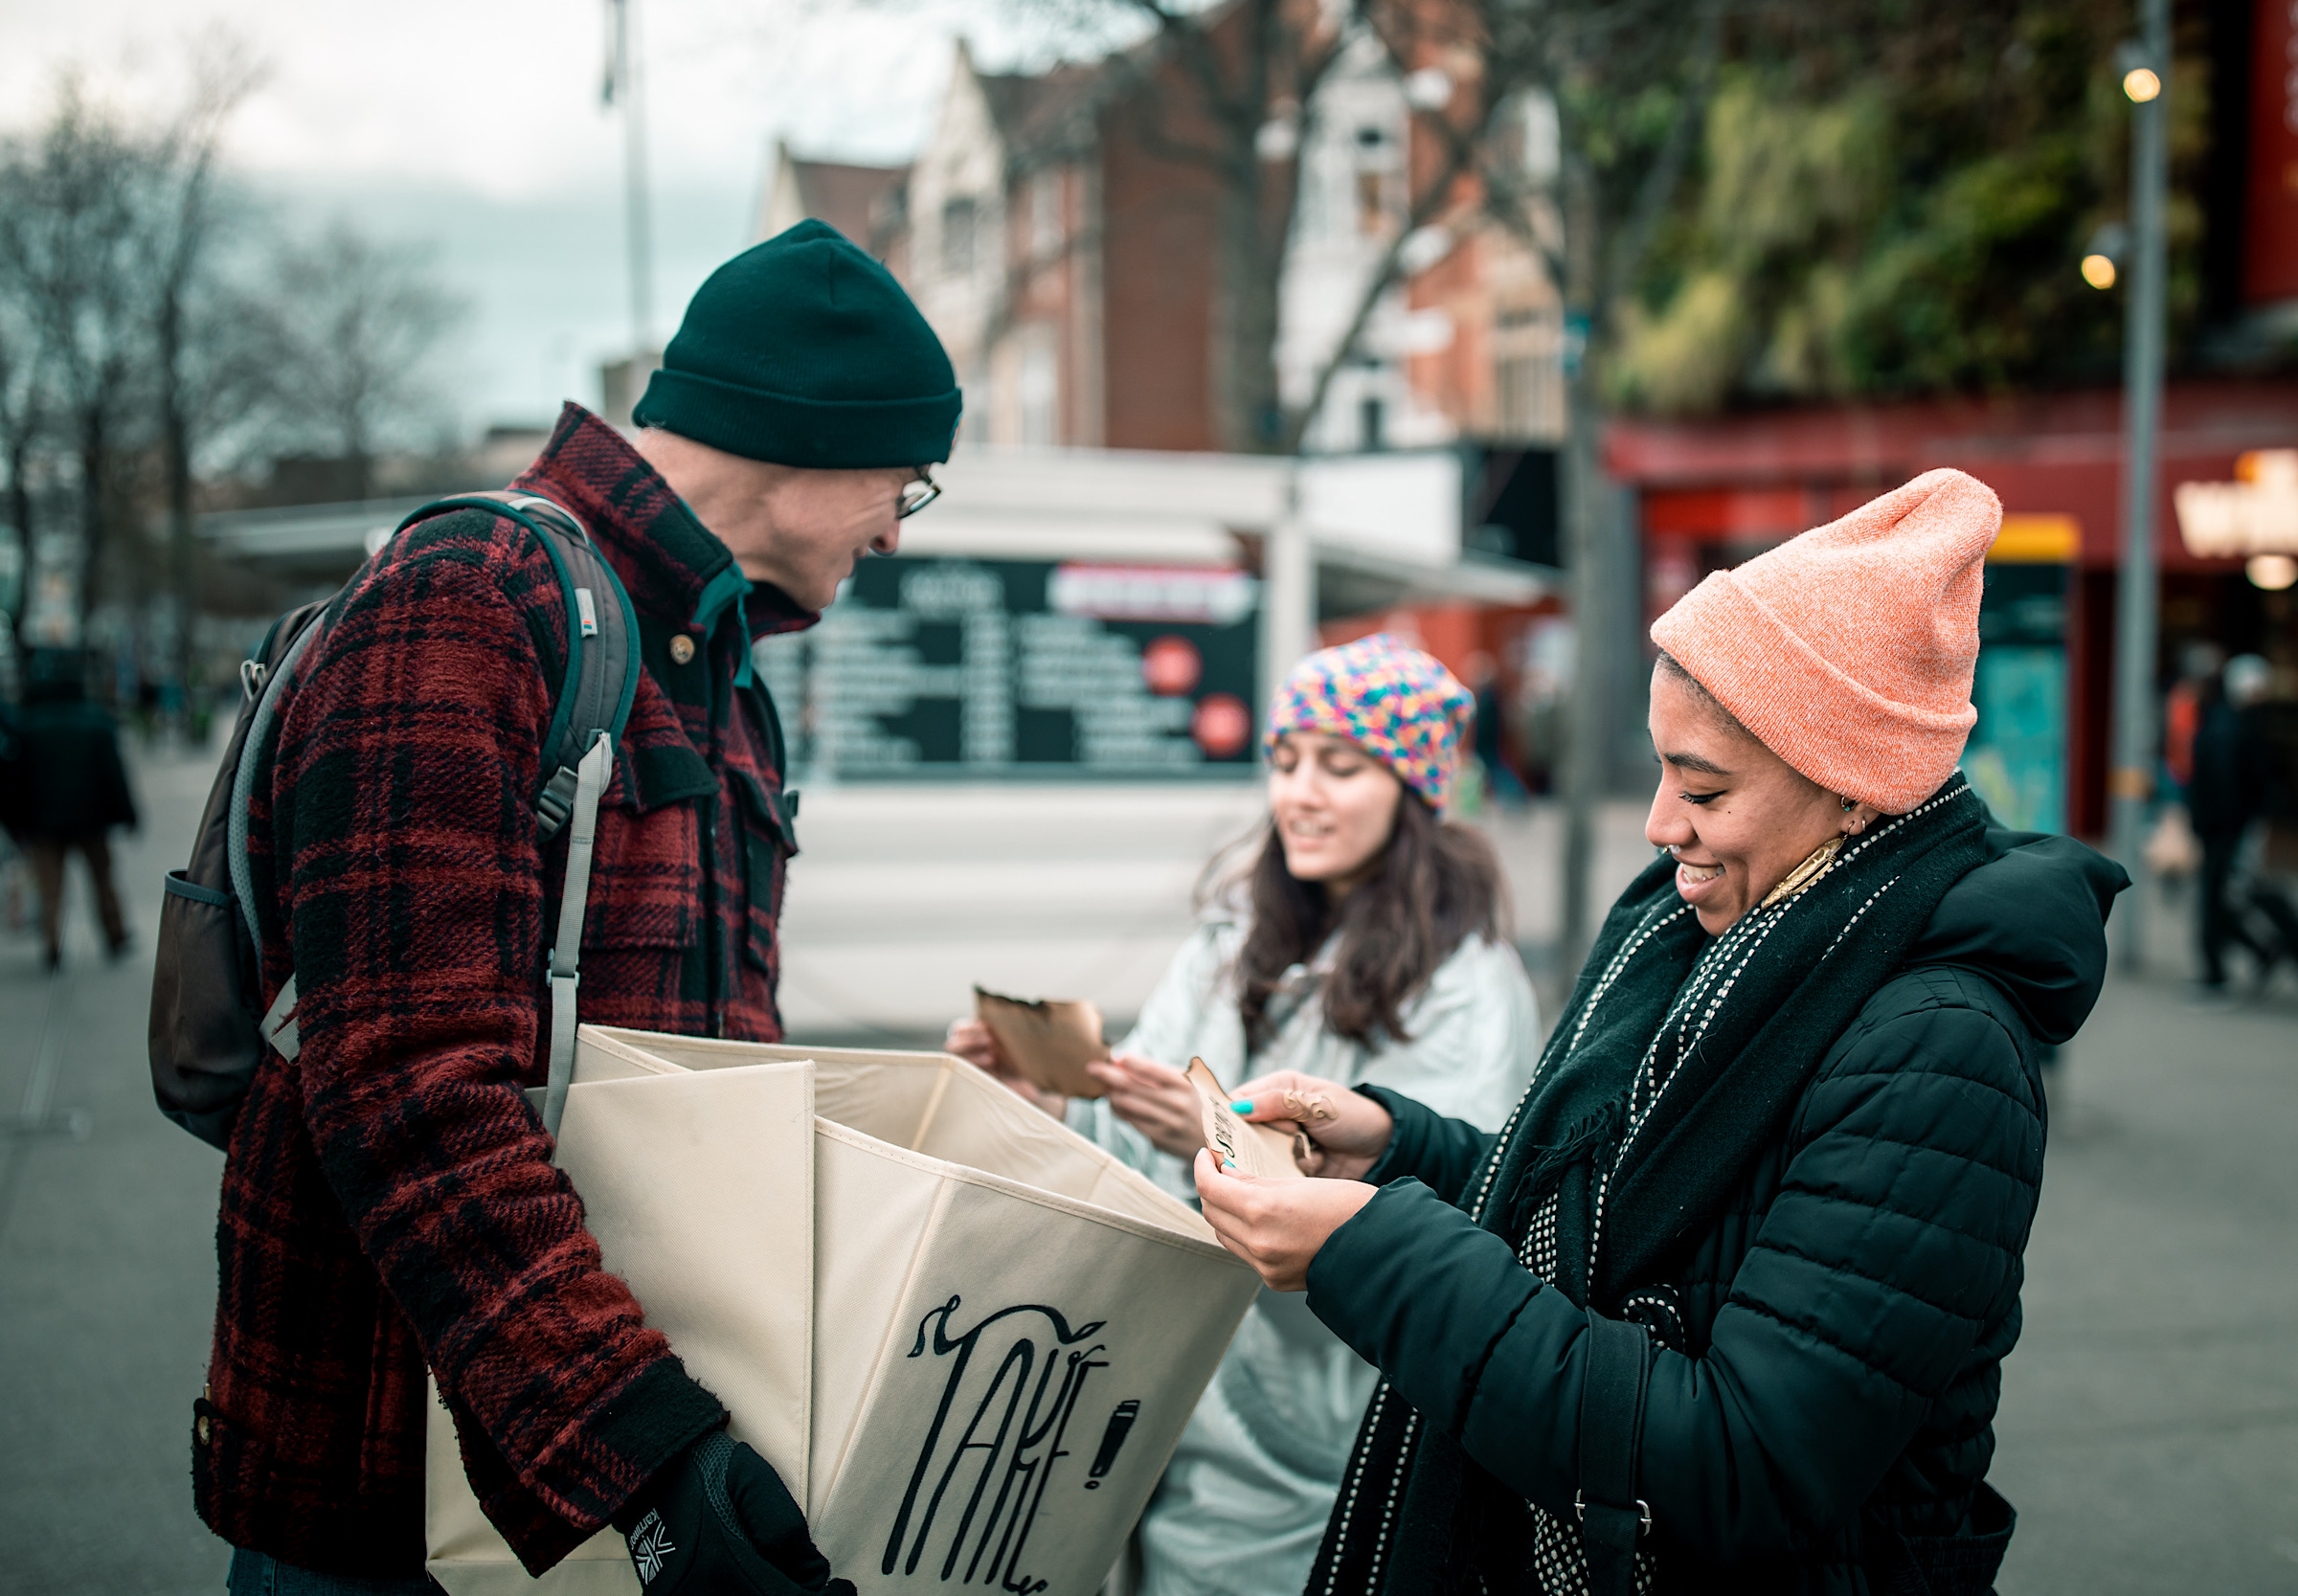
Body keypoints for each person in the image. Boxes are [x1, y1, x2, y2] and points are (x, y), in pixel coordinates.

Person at [1193, 470, 2129, 1595]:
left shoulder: (1939, 1051)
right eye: (1660, 767)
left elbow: (1743, 1459)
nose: (1657, 822)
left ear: (1854, 789)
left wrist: (1372, 1252)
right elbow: (1592, 1218)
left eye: (1704, 786)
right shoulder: (1712, 928)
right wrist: (1400, 1151)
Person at [199, 221, 958, 1596]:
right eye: (905, 479)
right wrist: (646, 1453)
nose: (897, 529)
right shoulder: (472, 600)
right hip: (396, 1485)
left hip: (607, 1458)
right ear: (806, 431)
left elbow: (700, 1067)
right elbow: (404, 1083)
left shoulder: (721, 664)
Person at [945, 635, 1540, 1596]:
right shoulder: (1230, 943)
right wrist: (1046, 1093)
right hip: (1176, 1391)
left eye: (1340, 767)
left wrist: (1217, 1144)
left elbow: (1442, 1222)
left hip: (1329, 1424)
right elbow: (1130, 1146)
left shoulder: (1468, 987)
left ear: (1412, 787)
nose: (1299, 793)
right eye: (1285, 760)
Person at [0, 649, 137, 970]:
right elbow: (113, 773)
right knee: (103, 879)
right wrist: (127, 813)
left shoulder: (28, 727)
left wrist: (15, 822)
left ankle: (51, 944)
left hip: (44, 824)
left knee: (50, 886)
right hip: (92, 820)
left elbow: (14, 783)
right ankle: (115, 935)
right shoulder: (96, 722)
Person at [2187, 652, 2271, 994]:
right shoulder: (2237, 726)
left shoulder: (2223, 722)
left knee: (2215, 899)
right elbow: (2236, 783)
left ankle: (2224, 967)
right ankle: (2240, 959)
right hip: (2225, 828)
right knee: (2217, 899)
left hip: (2219, 828)